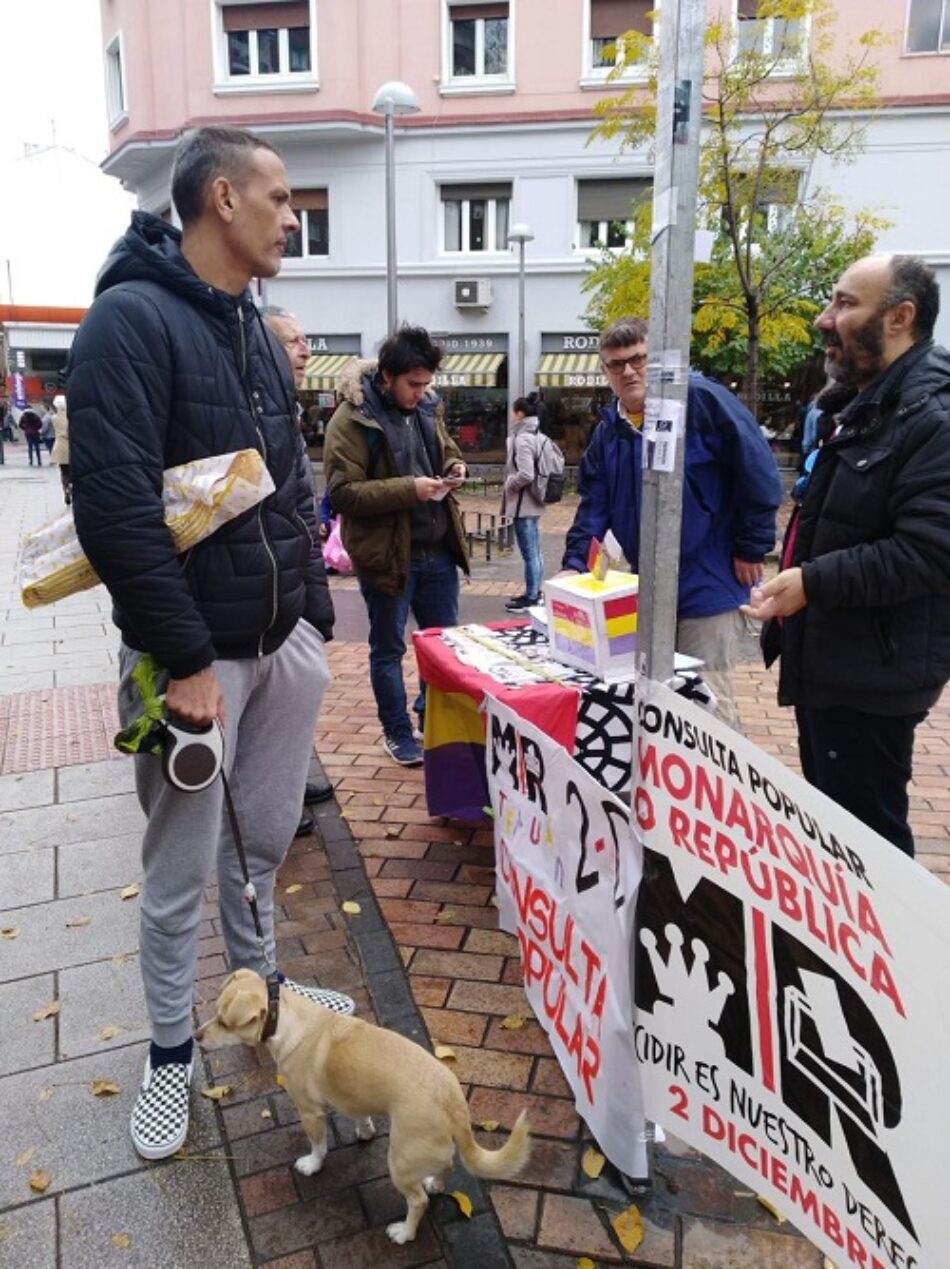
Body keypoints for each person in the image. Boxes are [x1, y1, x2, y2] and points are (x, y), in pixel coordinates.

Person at [67, 125, 354, 1162]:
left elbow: (287, 482)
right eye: (280, 200)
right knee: (182, 868)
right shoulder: (128, 324)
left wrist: (312, 620)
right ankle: (167, 1054)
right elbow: (112, 510)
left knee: (265, 840)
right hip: (194, 658)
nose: (293, 217)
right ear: (220, 198)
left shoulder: (250, 327)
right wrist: (183, 658)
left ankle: (263, 987)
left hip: (280, 643)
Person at [744, 255, 950, 857]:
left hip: (872, 676)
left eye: (844, 303)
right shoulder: (865, 406)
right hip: (837, 663)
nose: (823, 319)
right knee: (839, 832)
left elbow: (930, 551)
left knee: (870, 846)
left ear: (900, 318)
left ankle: (890, 950)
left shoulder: (931, 418)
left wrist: (813, 580)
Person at [562, 315, 782, 728]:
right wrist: (574, 567)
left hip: (709, 581)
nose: (628, 371)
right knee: (656, 699)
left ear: (656, 358)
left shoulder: (701, 400)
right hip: (650, 589)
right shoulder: (609, 432)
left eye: (638, 359)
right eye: (616, 364)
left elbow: (758, 470)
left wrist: (753, 545)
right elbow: (594, 506)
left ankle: (719, 791)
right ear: (604, 370)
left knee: (705, 706)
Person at [324, 325, 469, 766]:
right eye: (413, 384)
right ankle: (397, 731)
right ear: (388, 375)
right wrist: (411, 489)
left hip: (438, 549)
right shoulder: (352, 418)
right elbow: (344, 493)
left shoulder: (428, 406)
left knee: (443, 646)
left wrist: (454, 464)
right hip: (387, 554)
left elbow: (443, 449)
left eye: (427, 384)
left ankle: (434, 720)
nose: (421, 392)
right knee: (388, 648)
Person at [261, 304, 335, 824]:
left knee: (290, 701)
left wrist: (318, 604)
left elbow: (303, 510)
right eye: (291, 341)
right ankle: (270, 801)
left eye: (304, 339)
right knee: (264, 710)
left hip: (293, 586)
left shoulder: (285, 408)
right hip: (262, 593)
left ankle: (283, 786)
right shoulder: (253, 409)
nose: (305, 350)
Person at [502, 394, 546, 611]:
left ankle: (531, 596)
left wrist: (510, 483)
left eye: (513, 411)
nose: (511, 415)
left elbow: (526, 474)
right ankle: (535, 592)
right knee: (536, 551)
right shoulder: (535, 434)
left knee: (530, 553)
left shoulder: (522, 438)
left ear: (520, 414)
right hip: (534, 501)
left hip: (524, 503)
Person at [50, 394, 71, 505]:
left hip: (59, 446)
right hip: (71, 446)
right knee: (74, 470)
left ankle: (66, 489)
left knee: (64, 472)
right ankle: (72, 488)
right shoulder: (70, 417)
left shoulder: (54, 418)